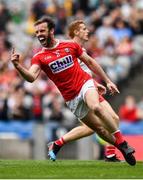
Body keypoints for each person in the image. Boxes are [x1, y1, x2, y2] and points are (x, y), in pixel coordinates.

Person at [10, 16, 136, 166]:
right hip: (71, 98)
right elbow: (31, 77)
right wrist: (17, 66)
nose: (39, 34)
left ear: (51, 31)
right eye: (37, 32)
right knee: (99, 130)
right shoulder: (39, 57)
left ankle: (121, 145)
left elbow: (89, 62)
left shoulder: (70, 46)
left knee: (98, 108)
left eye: (42, 30)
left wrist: (107, 81)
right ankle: (116, 147)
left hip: (85, 84)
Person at [47, 20, 121, 162]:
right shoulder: (68, 50)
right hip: (80, 94)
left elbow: (83, 72)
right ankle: (111, 153)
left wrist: (95, 83)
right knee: (109, 120)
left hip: (88, 90)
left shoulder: (80, 49)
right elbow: (72, 75)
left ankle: (57, 143)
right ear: (76, 32)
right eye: (84, 29)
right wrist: (95, 83)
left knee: (92, 127)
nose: (88, 31)